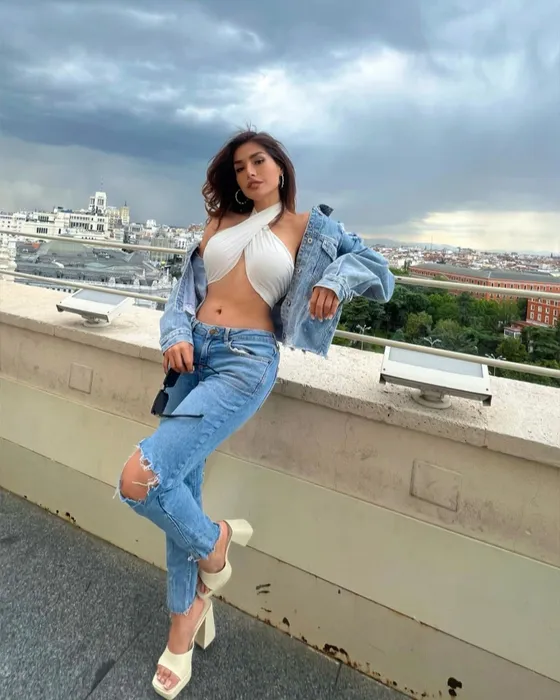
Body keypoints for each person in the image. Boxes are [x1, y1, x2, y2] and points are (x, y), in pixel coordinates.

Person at [117, 128, 395, 698]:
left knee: (140, 480)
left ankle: (214, 545)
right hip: (191, 356)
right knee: (178, 485)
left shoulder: (310, 229)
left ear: (281, 167)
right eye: (240, 166)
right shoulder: (219, 222)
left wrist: (334, 278)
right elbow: (184, 295)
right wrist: (174, 333)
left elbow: (380, 273)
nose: (249, 172)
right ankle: (186, 616)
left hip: (245, 361)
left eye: (259, 160)